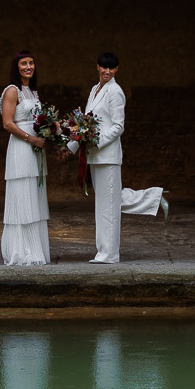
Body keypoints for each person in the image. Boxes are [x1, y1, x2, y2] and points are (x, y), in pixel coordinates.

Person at [76, 51, 168, 265]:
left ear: (116, 70)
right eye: (104, 67)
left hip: (107, 155)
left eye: (112, 68)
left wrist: (96, 141)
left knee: (108, 205)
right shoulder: (94, 90)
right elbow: (85, 124)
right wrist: (72, 145)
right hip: (95, 157)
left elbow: (118, 127)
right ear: (97, 67)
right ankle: (155, 198)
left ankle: (108, 255)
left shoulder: (115, 91)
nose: (107, 71)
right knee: (107, 201)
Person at [0, 51, 50, 267]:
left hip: (35, 150)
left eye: (31, 63)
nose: (28, 67)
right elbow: (8, 124)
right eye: (23, 63)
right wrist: (31, 139)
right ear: (16, 67)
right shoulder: (13, 91)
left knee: (34, 195)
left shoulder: (32, 91)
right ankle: (21, 251)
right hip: (22, 147)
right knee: (22, 195)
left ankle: (35, 248)